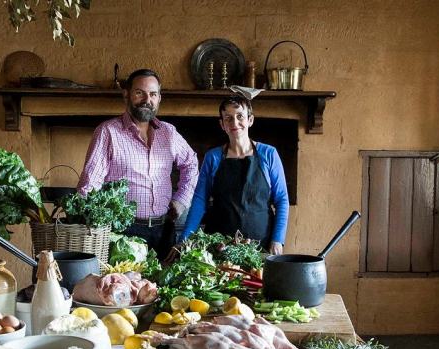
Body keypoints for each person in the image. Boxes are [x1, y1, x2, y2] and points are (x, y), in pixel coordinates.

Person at [77, 69, 198, 257]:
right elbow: (89, 186)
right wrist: (90, 226)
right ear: (126, 95)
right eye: (139, 93)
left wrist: (182, 200)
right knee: (124, 285)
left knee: (164, 286)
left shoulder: (169, 132)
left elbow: (191, 163)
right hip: (123, 235)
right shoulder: (108, 132)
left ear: (159, 99)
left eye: (153, 94)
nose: (146, 100)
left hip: (164, 230)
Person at [177, 95, 289, 255]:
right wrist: (185, 238)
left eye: (240, 116)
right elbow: (200, 200)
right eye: (228, 118)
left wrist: (278, 239)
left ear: (250, 120)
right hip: (219, 244)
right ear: (222, 124)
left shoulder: (269, 154)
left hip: (260, 244)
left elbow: (282, 200)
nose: (234, 123)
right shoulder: (213, 157)